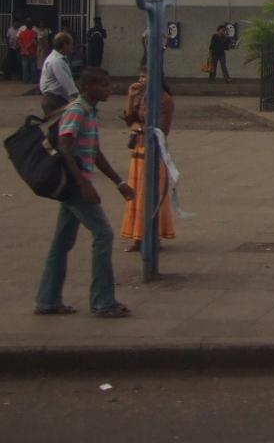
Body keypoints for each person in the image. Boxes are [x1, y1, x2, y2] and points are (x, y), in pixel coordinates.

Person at [34, 66, 133, 318]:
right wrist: (83, 184)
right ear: (87, 87)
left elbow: (95, 152)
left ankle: (47, 300)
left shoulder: (90, 111)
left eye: (109, 84)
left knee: (62, 241)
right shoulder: (77, 110)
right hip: (75, 185)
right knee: (104, 235)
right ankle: (103, 302)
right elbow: (65, 146)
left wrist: (119, 182)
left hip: (75, 184)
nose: (109, 89)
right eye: (103, 85)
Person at [120, 72, 176, 252]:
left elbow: (162, 129)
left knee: (150, 194)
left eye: (145, 76)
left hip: (153, 150)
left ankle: (152, 236)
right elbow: (130, 119)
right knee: (136, 194)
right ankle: (138, 237)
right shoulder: (143, 96)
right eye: (140, 76)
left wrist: (139, 128)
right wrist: (131, 97)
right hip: (139, 148)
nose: (141, 80)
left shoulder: (165, 99)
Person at [39, 31, 78, 116]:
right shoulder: (57, 61)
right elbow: (67, 83)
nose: (72, 47)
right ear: (64, 45)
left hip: (52, 99)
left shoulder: (54, 58)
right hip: (55, 100)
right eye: (71, 44)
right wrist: (80, 98)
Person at [18, 18, 39, 84]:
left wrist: (23, 47)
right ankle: (34, 80)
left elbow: (19, 41)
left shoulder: (22, 33)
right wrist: (28, 46)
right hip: (31, 51)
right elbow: (34, 41)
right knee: (33, 66)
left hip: (23, 51)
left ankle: (25, 80)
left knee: (24, 66)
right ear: (31, 26)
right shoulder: (33, 33)